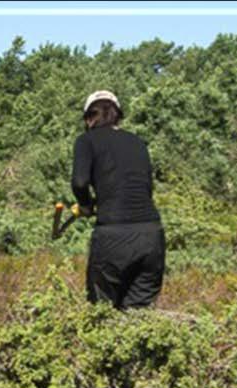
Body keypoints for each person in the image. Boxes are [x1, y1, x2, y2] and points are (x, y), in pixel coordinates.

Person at [71, 90, 166, 309]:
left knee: (102, 314)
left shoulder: (86, 141)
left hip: (114, 236)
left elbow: (79, 182)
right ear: (117, 116)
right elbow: (145, 187)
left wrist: (85, 205)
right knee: (139, 315)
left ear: (88, 118)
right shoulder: (138, 142)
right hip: (151, 236)